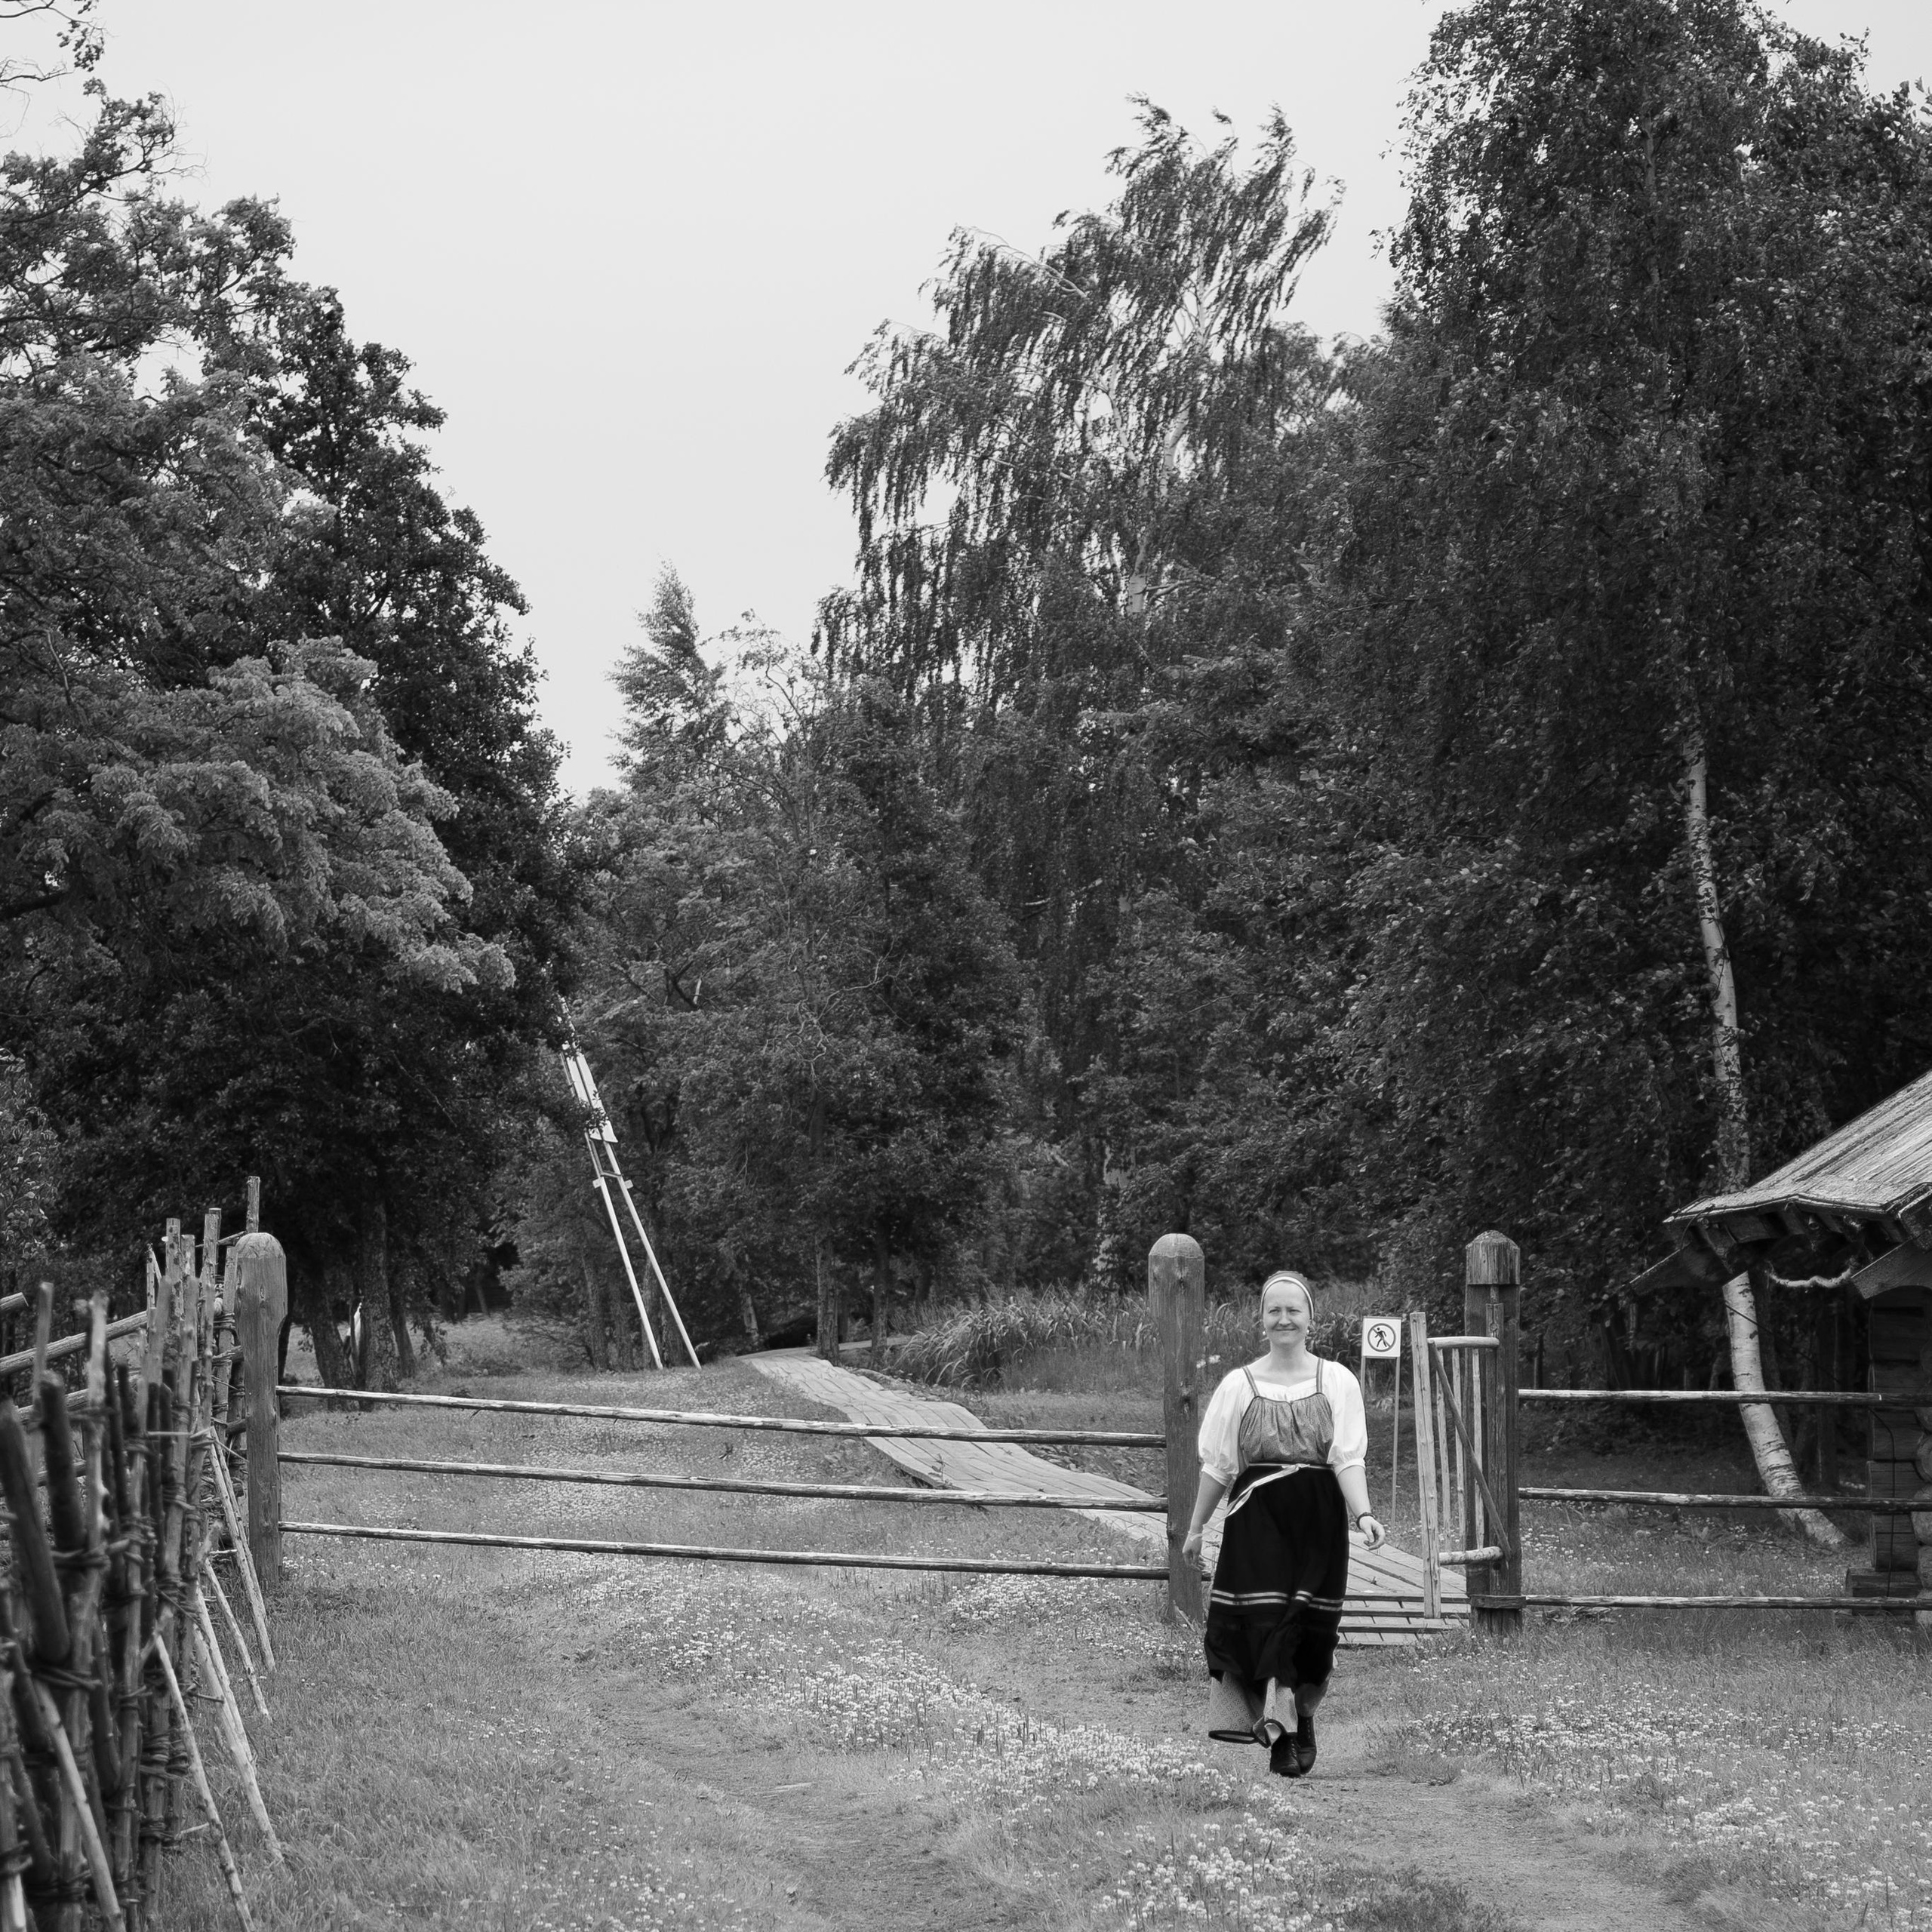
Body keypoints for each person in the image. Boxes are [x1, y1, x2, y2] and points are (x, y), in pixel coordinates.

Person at [1180, 1269, 1385, 1779]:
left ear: (1311, 1319)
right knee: (1271, 1626)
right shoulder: (1238, 1386)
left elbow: (1348, 1459)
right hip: (1257, 1523)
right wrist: (1196, 1526)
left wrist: (1363, 1513)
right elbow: (1219, 1466)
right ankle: (1282, 1737)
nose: (1285, 1318)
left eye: (1294, 1309)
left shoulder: (1337, 1381)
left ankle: (1303, 1712)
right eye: (1275, 1310)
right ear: (1262, 1320)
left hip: (1318, 1523)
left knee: (1313, 1634)